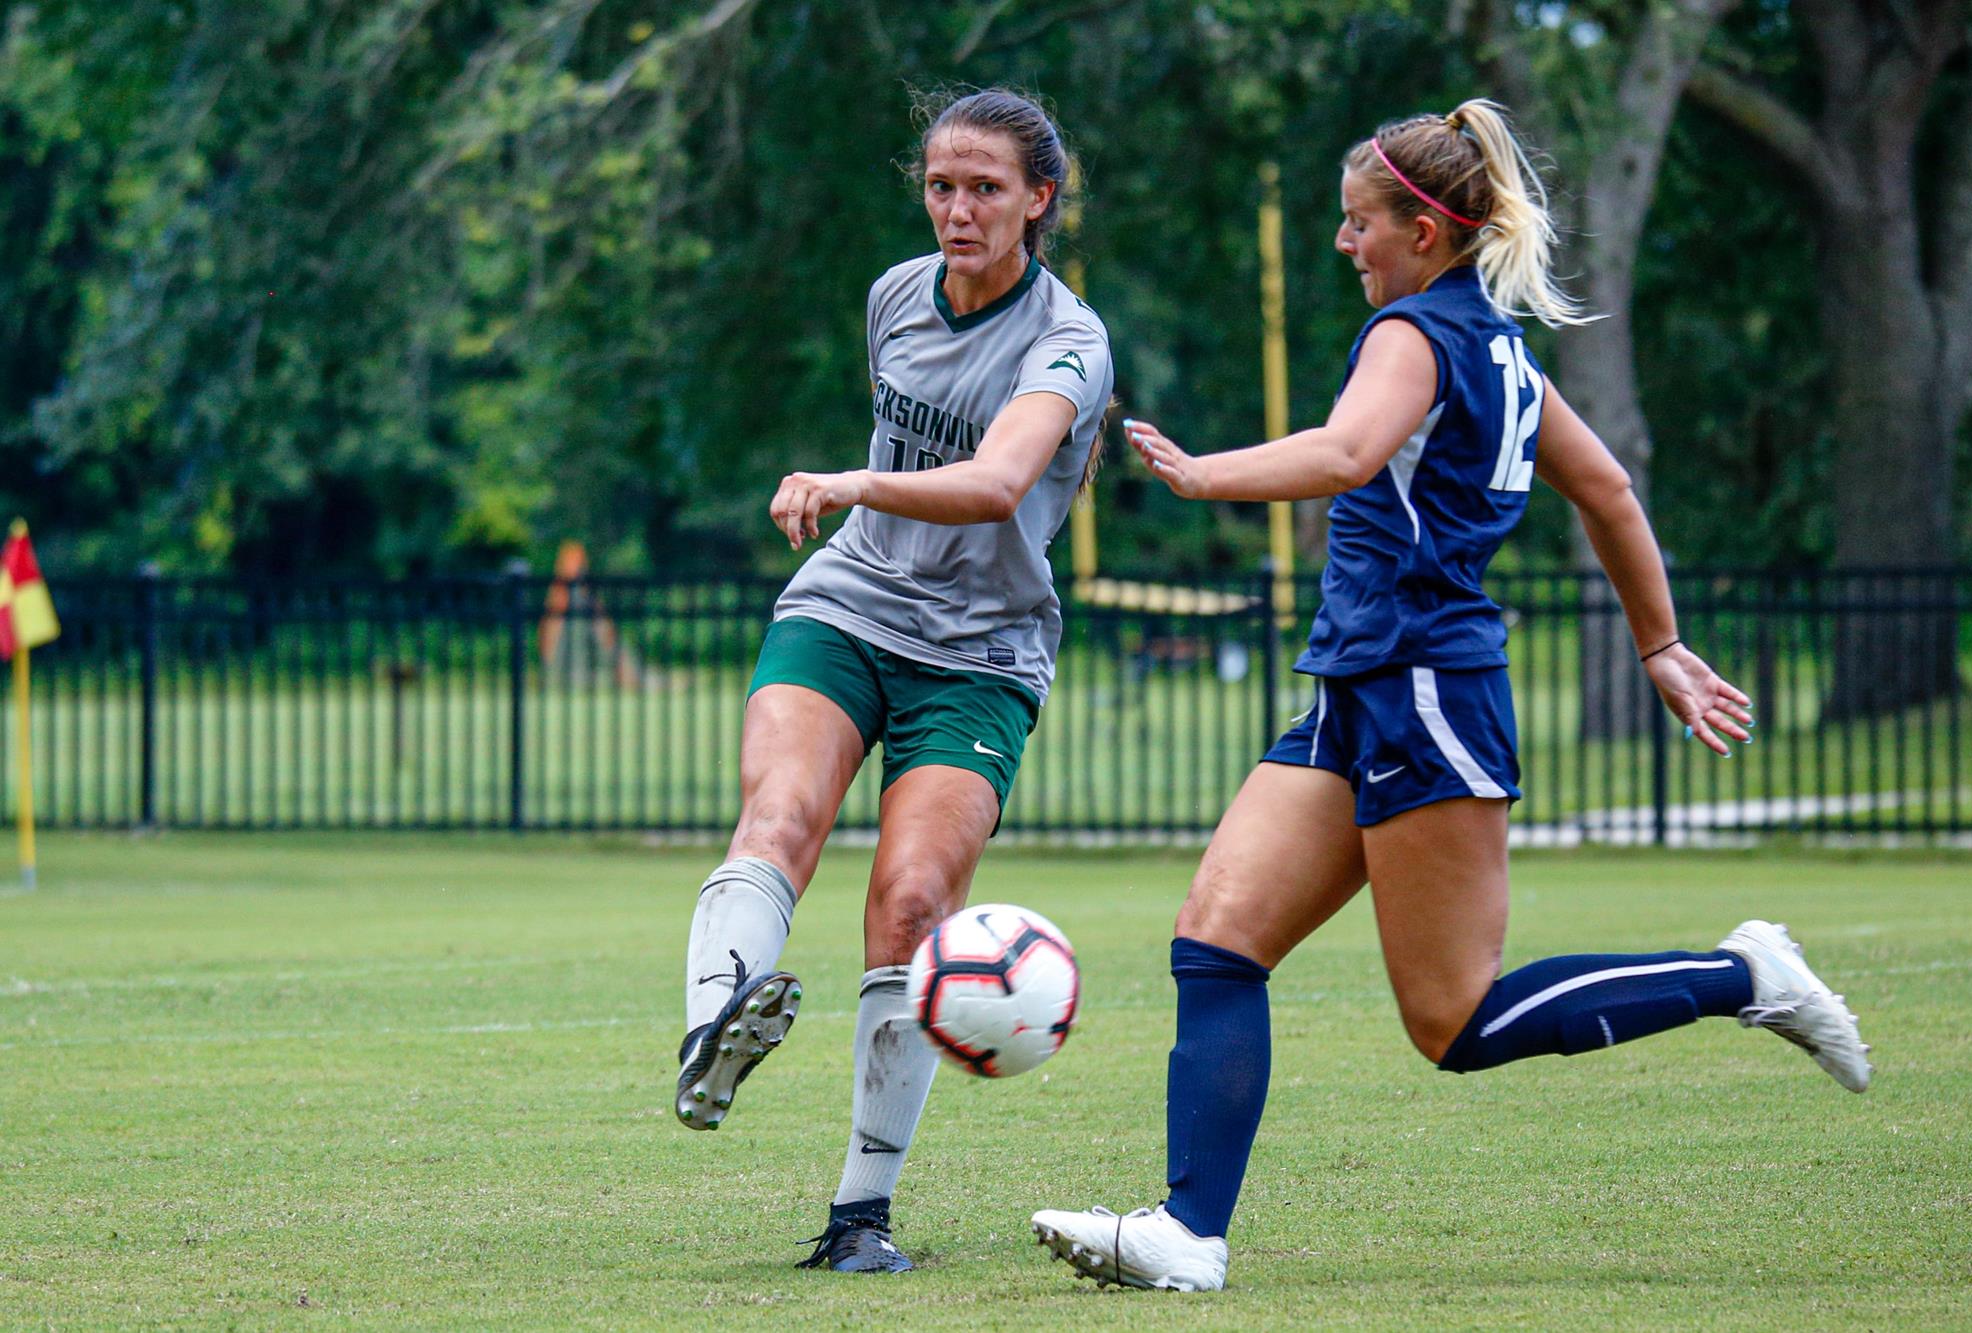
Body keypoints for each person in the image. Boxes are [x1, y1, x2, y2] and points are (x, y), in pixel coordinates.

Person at [1028, 99, 1869, 1292]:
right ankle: (1187, 1235)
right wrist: (1660, 645)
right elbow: (1611, 489)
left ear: (1423, 231)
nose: (1341, 243)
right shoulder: (1498, 352)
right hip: (1356, 684)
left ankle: (1747, 975)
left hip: (1425, 687)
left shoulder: (1415, 336)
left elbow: (1339, 454)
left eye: (1357, 222)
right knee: (1216, 942)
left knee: (1454, 1022)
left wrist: (1203, 473)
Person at [674, 88, 1113, 1275]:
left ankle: (857, 1219)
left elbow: (993, 480)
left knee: (913, 904)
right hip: (850, 604)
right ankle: (711, 1024)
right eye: (938, 185)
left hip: (979, 652)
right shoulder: (892, 294)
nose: (957, 209)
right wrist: (860, 509)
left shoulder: (1069, 341)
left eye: (983, 188)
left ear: (1038, 200)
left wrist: (852, 481)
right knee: (778, 813)